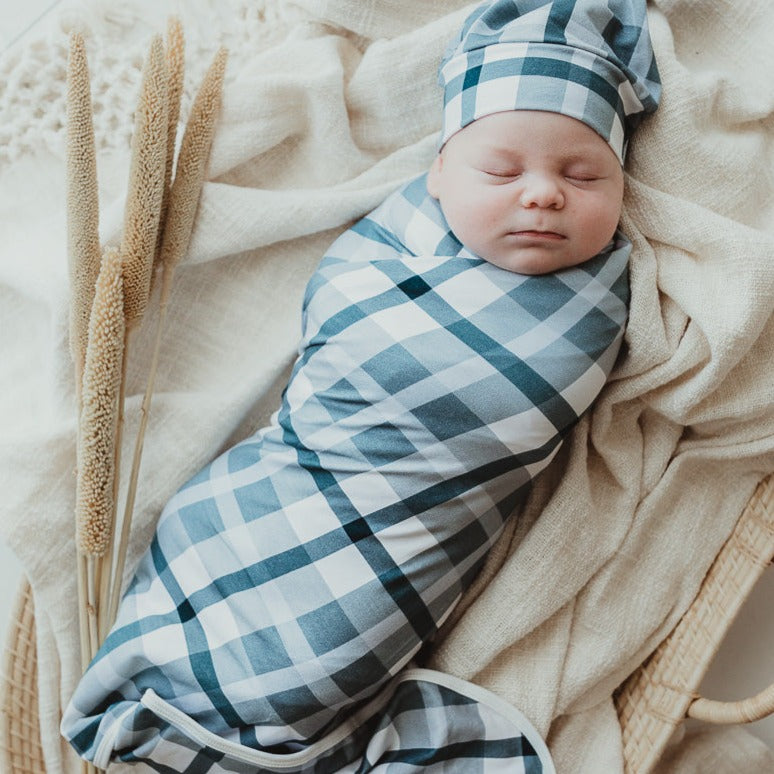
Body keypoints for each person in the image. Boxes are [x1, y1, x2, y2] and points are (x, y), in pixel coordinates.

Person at [62, 1, 660, 771]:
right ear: (438, 173)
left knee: (315, 664)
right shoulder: (382, 248)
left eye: (584, 175)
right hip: (258, 498)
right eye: (503, 170)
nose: (543, 194)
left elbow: (509, 407)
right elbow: (335, 325)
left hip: (393, 536)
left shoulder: (599, 299)